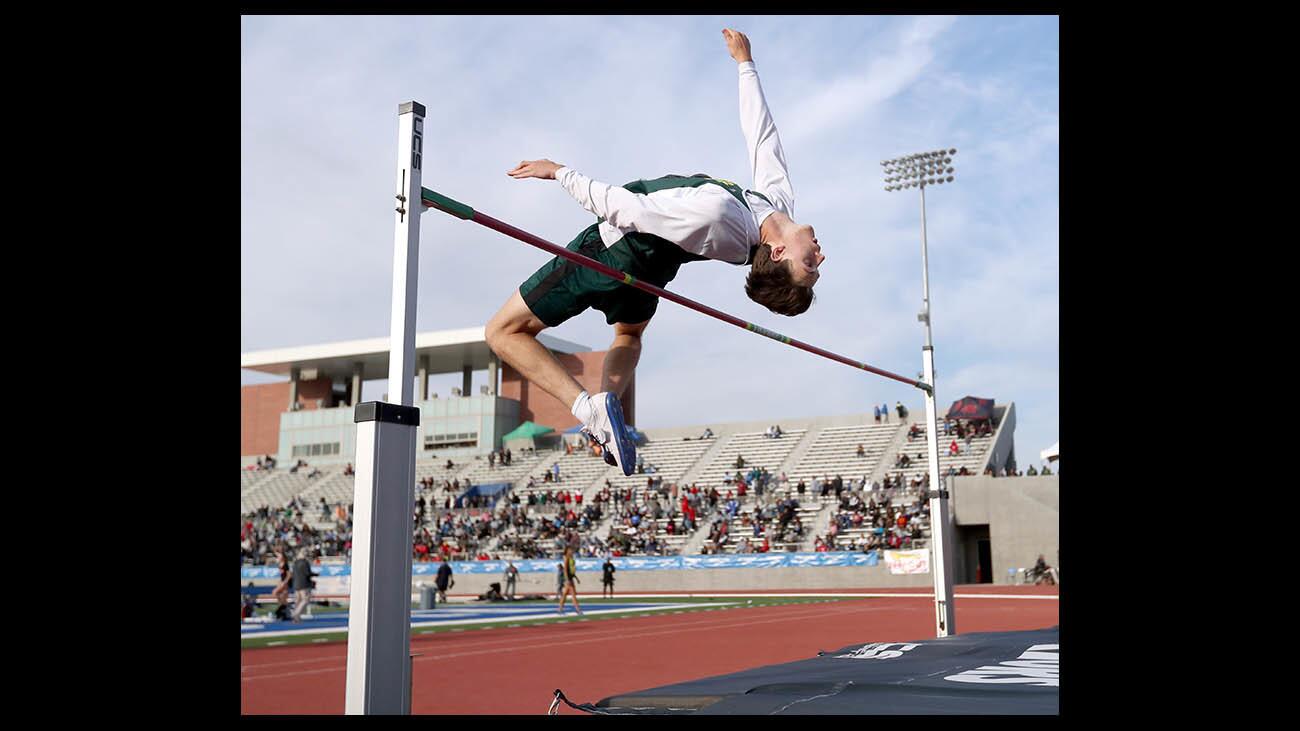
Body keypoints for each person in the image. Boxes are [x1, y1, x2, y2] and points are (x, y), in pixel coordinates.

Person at [486, 29, 823, 478]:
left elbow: (627, 209)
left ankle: (588, 411)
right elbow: (763, 140)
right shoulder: (774, 208)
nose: (820, 258)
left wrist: (561, 173)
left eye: (809, 266)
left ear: (778, 252)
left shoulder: (719, 215)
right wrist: (746, 65)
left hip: (612, 252)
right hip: (651, 273)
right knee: (628, 336)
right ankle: (606, 418)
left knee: (503, 332)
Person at [290, 550, 316, 623]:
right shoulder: (305, 562)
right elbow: (308, 573)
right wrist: (316, 574)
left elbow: (293, 574)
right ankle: (296, 614)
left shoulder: (295, 563)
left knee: (298, 600)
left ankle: (296, 618)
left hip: (296, 583)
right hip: (304, 584)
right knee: (305, 599)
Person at [557, 547, 583, 615]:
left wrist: (576, 578)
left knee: (565, 594)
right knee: (573, 594)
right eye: (570, 550)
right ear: (567, 551)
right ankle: (578, 609)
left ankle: (560, 609)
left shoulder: (571, 558)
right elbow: (565, 569)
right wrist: (567, 579)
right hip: (568, 579)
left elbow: (572, 570)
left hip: (571, 578)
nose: (572, 551)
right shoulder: (566, 558)